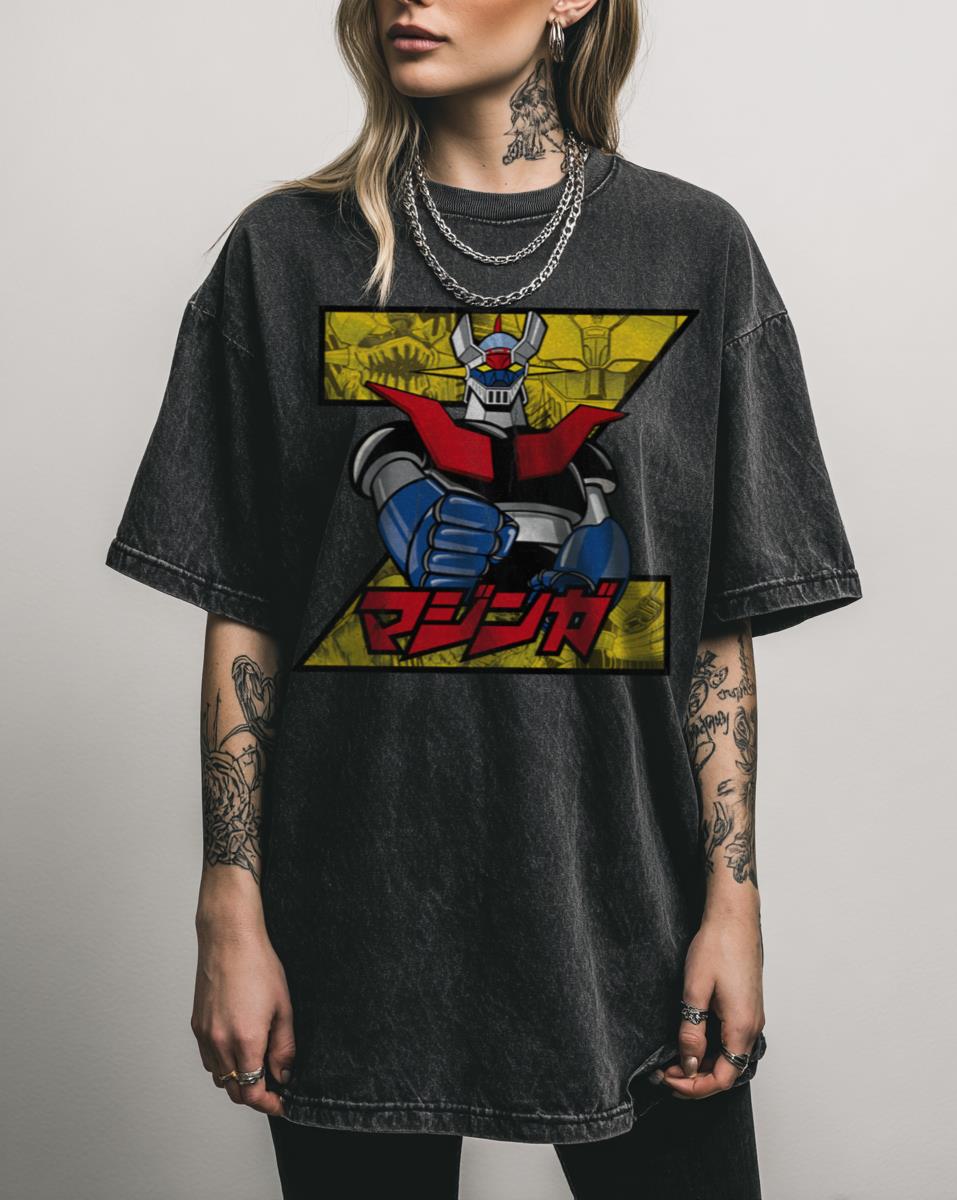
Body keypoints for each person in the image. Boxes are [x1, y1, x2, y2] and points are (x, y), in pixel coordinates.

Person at [104, 1, 863, 1196]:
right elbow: (244, 608)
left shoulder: (695, 249)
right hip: (354, 926)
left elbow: (717, 632)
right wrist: (229, 905)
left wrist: (735, 901)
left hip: (630, 917)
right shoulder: (284, 253)